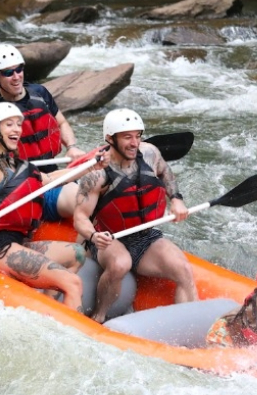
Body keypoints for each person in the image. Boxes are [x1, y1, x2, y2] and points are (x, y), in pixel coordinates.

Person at [0, 102, 105, 310]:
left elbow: (52, 179)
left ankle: (49, 308)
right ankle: (65, 330)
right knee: (73, 283)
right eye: (9, 124)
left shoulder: (20, 165)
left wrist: (90, 166)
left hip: (18, 243)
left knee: (77, 253)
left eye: (18, 124)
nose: (17, 129)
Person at [71, 108, 196, 323]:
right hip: (107, 237)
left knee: (183, 269)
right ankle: (98, 317)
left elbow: (165, 172)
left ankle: (192, 326)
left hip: (144, 236)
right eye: (127, 137)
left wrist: (176, 198)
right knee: (120, 263)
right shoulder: (97, 174)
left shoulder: (150, 153)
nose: (134, 143)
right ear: (110, 138)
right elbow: (80, 218)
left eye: (137, 136)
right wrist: (93, 237)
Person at [0, 44, 85, 223]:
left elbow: (62, 122)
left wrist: (72, 148)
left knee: (96, 185)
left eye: (19, 69)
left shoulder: (39, 93)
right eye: (8, 73)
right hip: (18, 183)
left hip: (52, 173)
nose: (16, 76)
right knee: (80, 198)